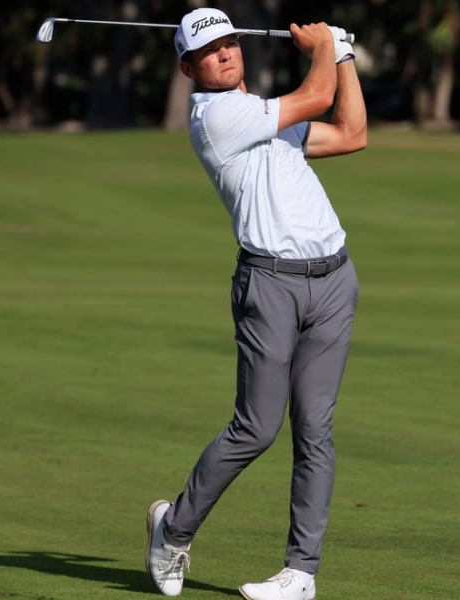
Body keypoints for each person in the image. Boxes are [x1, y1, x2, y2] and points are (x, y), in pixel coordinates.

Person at [145, 7, 367, 600]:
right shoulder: (217, 118)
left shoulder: (268, 115)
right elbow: (318, 96)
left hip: (334, 279)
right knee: (257, 427)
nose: (224, 53)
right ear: (188, 69)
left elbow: (352, 133)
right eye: (207, 51)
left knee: (315, 431)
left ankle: (301, 574)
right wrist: (325, 48)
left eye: (229, 42)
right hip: (270, 285)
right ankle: (173, 530)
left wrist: (344, 56)